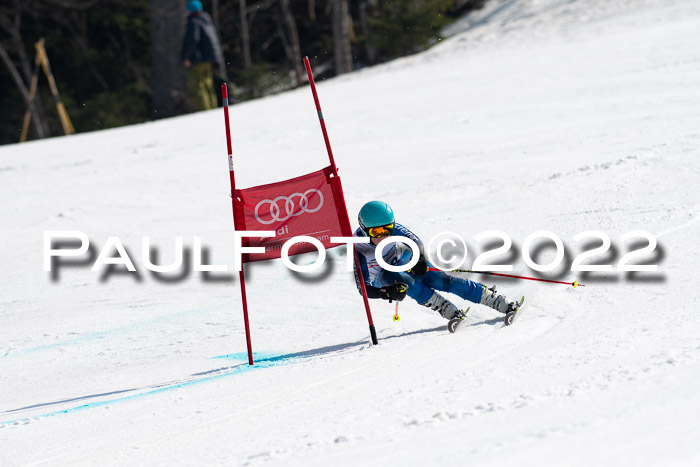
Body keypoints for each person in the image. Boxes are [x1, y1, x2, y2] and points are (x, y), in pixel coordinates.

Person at [353, 201, 520, 321]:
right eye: (377, 231)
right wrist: (386, 293)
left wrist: (419, 259)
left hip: (402, 260)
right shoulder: (358, 249)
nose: (384, 235)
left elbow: (416, 242)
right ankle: (443, 306)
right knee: (394, 276)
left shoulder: (392, 228)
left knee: (440, 280)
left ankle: (492, 298)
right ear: (364, 229)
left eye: (387, 229)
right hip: (385, 277)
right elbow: (363, 289)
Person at [181, 0, 228, 110]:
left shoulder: (194, 23)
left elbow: (193, 41)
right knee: (207, 84)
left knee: (198, 86)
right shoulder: (207, 21)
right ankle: (212, 107)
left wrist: (187, 57)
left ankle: (205, 111)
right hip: (209, 59)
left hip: (198, 59)